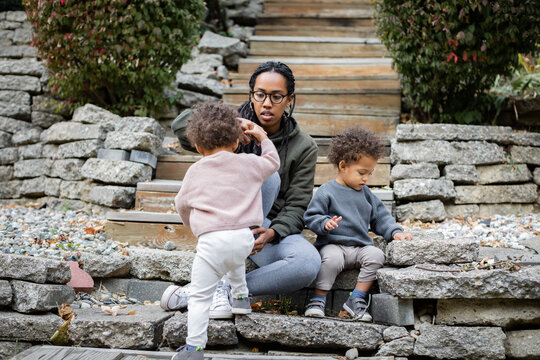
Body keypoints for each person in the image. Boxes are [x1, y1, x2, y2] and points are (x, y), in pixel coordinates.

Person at [161, 61, 321, 319]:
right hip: (225, 222)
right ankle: (220, 289)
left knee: (307, 264)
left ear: (289, 99)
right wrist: (230, 125)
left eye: (276, 96)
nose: (266, 103)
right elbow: (180, 125)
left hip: (263, 229)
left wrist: (272, 232)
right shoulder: (227, 131)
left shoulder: (304, 147)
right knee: (268, 179)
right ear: (251, 95)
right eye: (260, 95)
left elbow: (297, 205)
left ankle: (215, 290)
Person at [171, 102, 280, 360]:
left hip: (212, 241)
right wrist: (261, 135)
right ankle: (241, 298)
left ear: (198, 147)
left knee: (199, 297)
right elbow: (273, 162)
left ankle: (194, 349)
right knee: (235, 261)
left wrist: (193, 225)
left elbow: (181, 204)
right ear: (235, 143)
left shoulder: (195, 170)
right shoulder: (250, 163)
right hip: (244, 237)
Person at [303, 126, 413, 321]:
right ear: (343, 165)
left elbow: (381, 217)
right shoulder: (326, 191)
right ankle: (318, 299)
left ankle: (356, 299)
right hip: (333, 245)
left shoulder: (366, 194)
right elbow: (311, 216)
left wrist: (395, 232)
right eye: (362, 172)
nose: (366, 178)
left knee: (377, 255)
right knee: (331, 260)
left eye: (369, 173)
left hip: (360, 247)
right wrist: (324, 223)